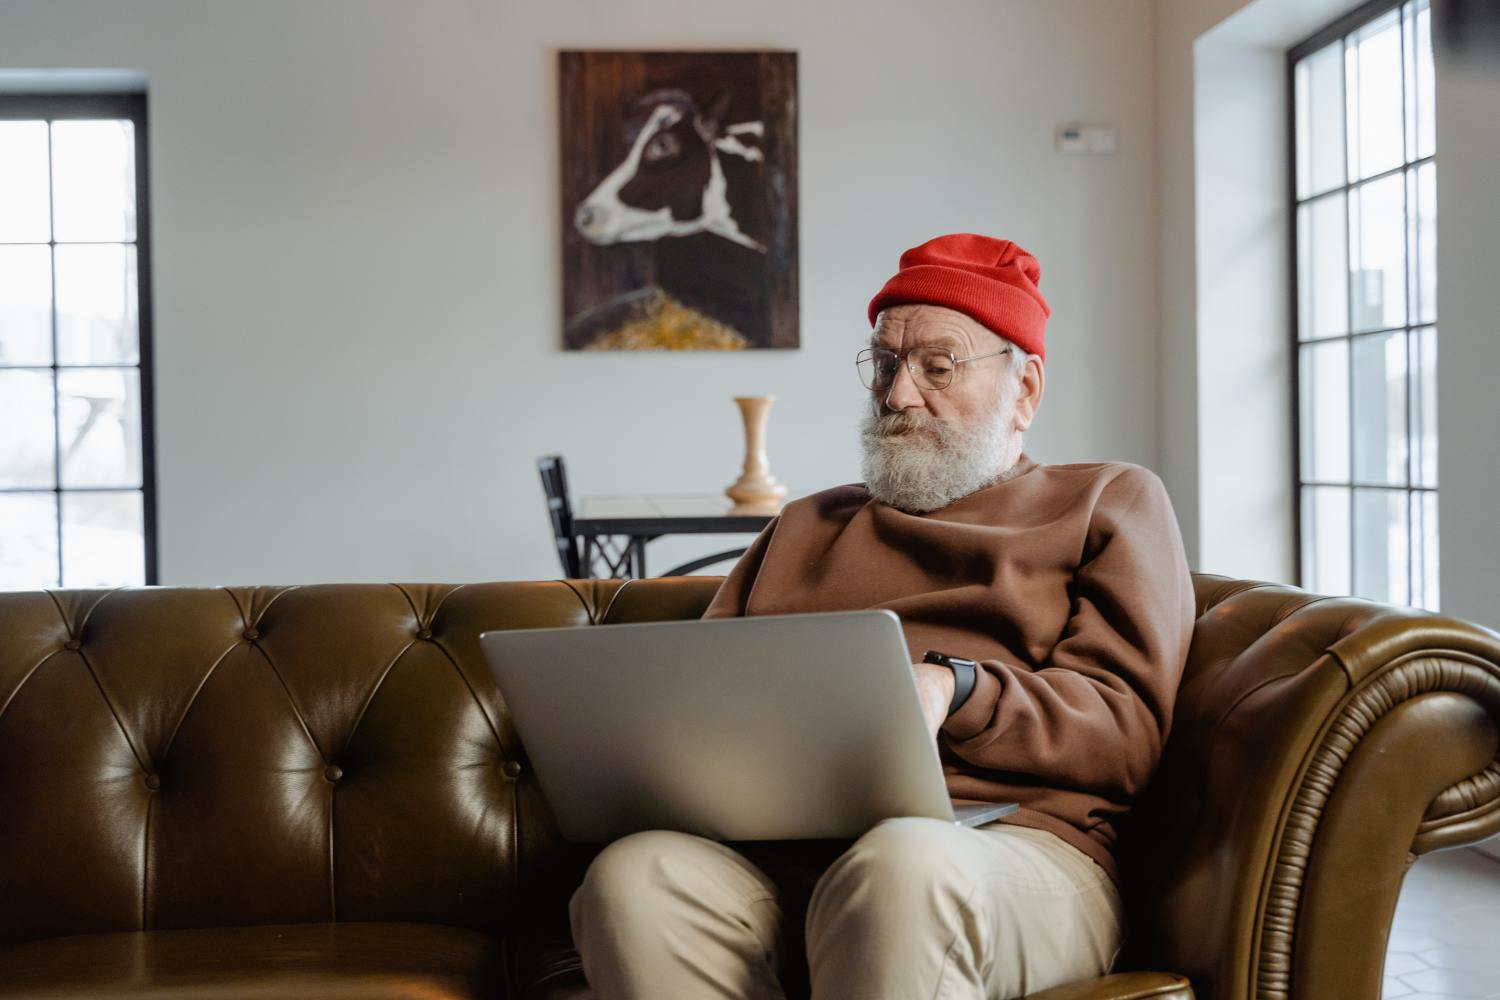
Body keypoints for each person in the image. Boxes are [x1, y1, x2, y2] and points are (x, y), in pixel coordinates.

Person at [569, 233, 1195, 1000]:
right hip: (790, 858)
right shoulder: (803, 524)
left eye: (938, 366)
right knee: (635, 877)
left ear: (1025, 388)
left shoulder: (1107, 501)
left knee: (904, 866)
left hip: (1010, 854)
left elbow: (1124, 734)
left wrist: (955, 691)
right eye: (887, 364)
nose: (899, 396)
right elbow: (707, 707)